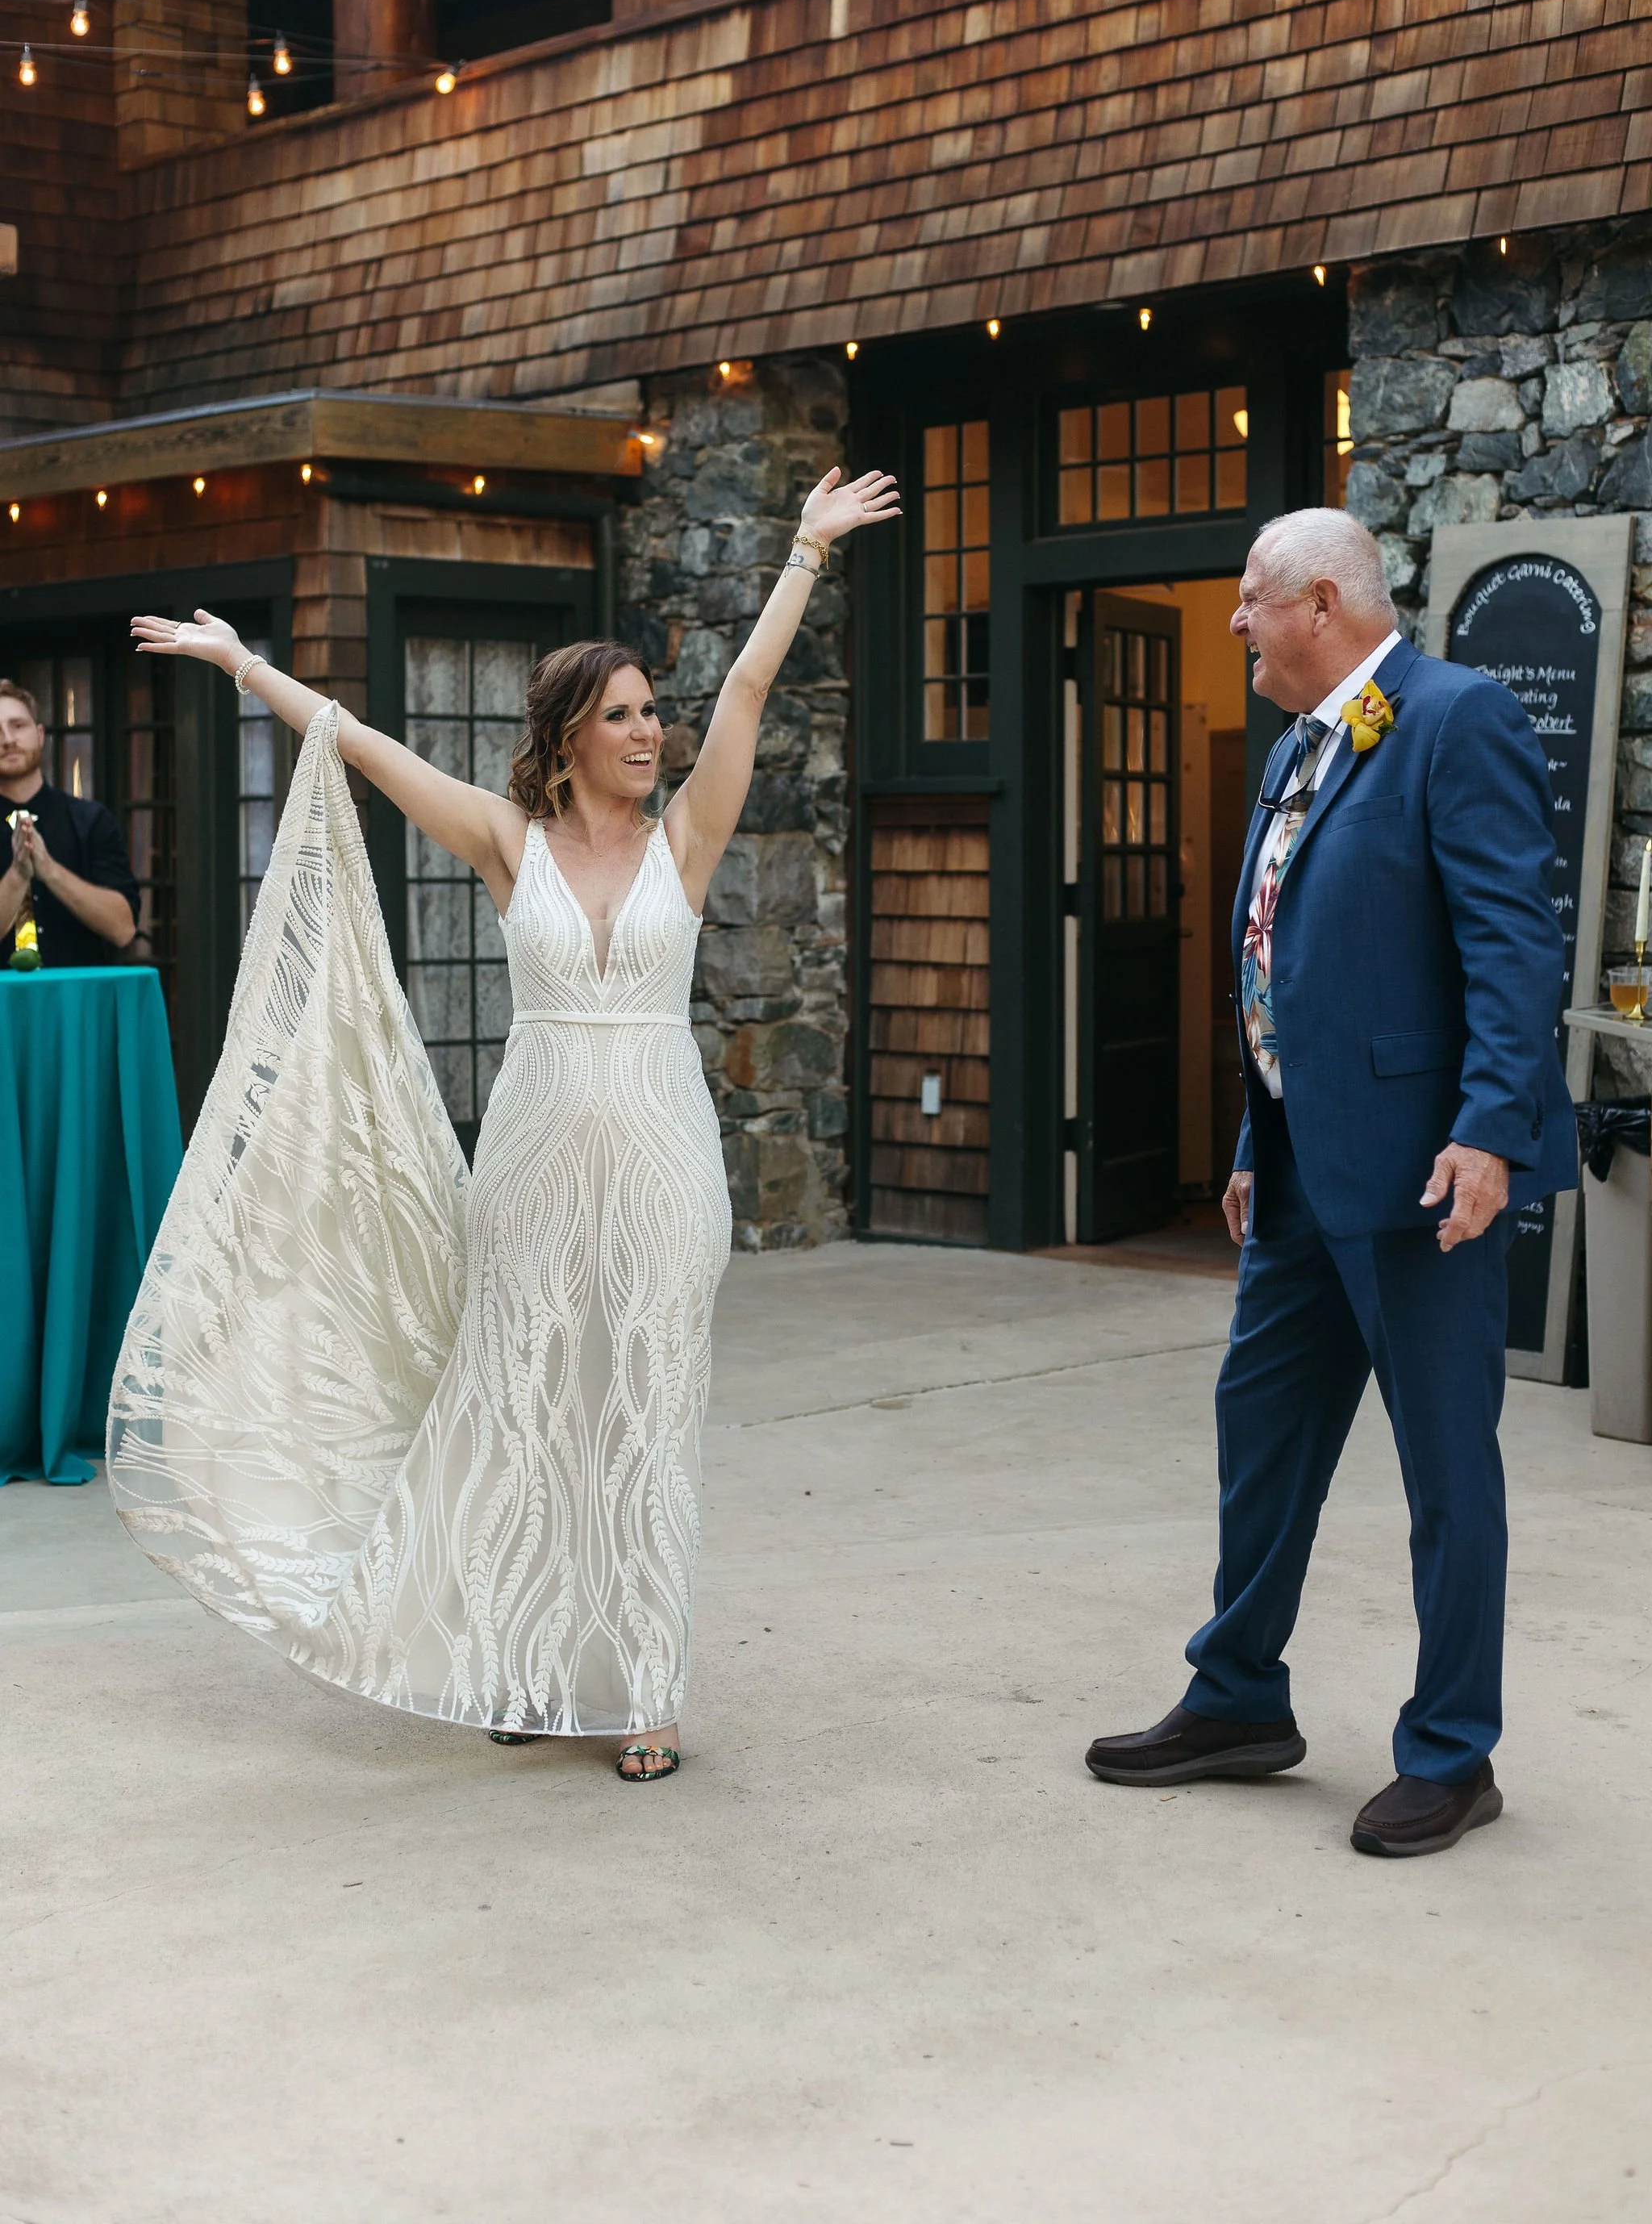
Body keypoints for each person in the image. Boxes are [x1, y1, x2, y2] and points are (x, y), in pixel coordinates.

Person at [109, 465, 899, 1781]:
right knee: (528, 1416)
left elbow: (752, 690)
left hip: (655, 1158)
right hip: (529, 1163)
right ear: (571, 731)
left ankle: (642, 1688)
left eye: (654, 711)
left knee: (642, 1415)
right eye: (625, 714)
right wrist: (246, 663)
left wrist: (804, 554)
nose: (650, 732)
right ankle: (529, 1665)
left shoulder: (686, 840)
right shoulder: (503, 837)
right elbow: (356, 744)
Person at [1084, 508, 1576, 1857]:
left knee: (1441, 1470)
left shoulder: (1452, 715)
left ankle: (1451, 1749)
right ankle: (1238, 1696)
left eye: (1247, 601)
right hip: (1298, 1169)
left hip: (1424, 1175)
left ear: (1317, 599)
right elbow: (1280, 954)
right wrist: (1255, 1137)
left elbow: (1510, 947)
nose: (1232, 623)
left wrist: (1483, 1131)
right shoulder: (1303, 743)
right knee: (1261, 1433)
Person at [0, 680, 140, 966]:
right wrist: (17, 875)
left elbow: (123, 930)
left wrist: (49, 870)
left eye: (17, 725)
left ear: (40, 734)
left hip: (78, 1001)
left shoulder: (90, 821)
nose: (7, 739)